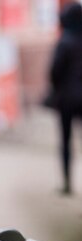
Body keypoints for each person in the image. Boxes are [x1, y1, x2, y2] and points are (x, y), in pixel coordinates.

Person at [46, 2, 82, 195]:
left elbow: (54, 72)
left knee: (66, 141)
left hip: (67, 99)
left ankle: (68, 183)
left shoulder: (65, 41)